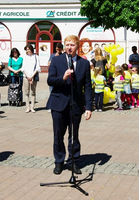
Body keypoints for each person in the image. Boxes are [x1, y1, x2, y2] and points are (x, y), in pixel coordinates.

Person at [46, 35, 92, 175]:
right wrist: (63, 78)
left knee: (74, 135)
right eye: (67, 44)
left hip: (76, 105)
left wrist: (89, 107)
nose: (69, 47)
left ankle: (73, 162)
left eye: (72, 45)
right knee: (58, 135)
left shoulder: (84, 63)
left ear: (77, 46)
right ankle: (59, 162)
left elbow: (88, 86)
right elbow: (50, 80)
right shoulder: (56, 60)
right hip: (58, 103)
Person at [22, 44, 41, 113]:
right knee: (26, 92)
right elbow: (23, 67)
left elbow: (37, 67)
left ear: (31, 49)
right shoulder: (24, 57)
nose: (27, 50)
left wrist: (32, 76)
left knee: (33, 92)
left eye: (28, 49)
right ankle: (27, 107)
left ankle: (32, 106)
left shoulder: (36, 57)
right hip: (26, 76)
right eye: (26, 49)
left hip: (33, 76)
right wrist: (27, 76)